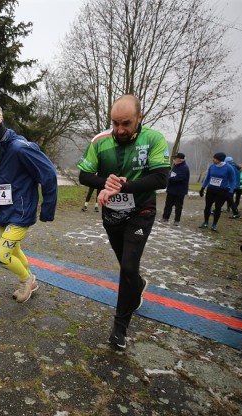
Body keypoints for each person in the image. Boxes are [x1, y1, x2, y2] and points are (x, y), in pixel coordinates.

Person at [78, 94, 170, 349]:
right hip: (112, 214)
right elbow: (84, 176)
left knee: (128, 267)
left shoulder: (153, 139)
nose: (119, 129)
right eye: (115, 123)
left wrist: (124, 187)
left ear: (139, 118)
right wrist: (105, 183)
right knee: (126, 266)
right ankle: (138, 285)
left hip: (141, 211)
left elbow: (161, 178)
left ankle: (120, 328)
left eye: (126, 123)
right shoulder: (100, 141)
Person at [0, 102, 58, 303]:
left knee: (2, 254)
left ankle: (26, 280)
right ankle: (30, 280)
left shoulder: (20, 148)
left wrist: (47, 209)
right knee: (13, 250)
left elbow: (48, 173)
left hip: (21, 212)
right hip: (2, 212)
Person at [198, 152, 236, 232]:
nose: (213, 159)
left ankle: (214, 224)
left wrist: (231, 191)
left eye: (214, 158)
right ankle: (205, 222)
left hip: (222, 190)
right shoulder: (212, 166)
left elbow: (233, 181)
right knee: (207, 206)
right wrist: (202, 188)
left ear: (219, 159)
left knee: (218, 207)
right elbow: (208, 178)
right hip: (211, 189)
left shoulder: (229, 168)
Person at [161, 152, 190, 226]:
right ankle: (165, 218)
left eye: (176, 158)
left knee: (178, 207)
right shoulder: (175, 166)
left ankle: (177, 221)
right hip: (171, 190)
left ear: (180, 160)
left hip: (180, 191)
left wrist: (168, 178)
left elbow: (178, 178)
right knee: (168, 205)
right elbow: (171, 175)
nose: (174, 159)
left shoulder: (184, 168)